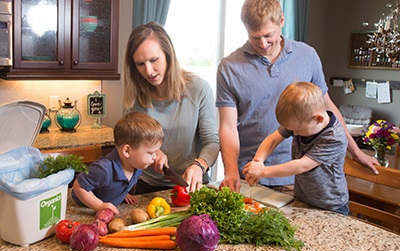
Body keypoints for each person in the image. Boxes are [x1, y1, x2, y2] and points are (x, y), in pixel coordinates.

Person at [216, 0, 378, 193]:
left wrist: (356, 152)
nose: (263, 44)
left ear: (282, 20)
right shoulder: (229, 67)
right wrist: (231, 171)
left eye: (269, 35)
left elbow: (328, 107)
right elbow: (227, 126)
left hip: (298, 176)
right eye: (254, 37)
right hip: (250, 175)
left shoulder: (307, 56)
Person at [123, 22, 219, 193]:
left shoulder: (199, 89)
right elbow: (128, 143)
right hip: (147, 187)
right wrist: (153, 152)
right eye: (140, 64)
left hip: (191, 186)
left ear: (168, 54)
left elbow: (212, 142)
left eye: (154, 60)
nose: (149, 71)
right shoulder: (134, 97)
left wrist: (199, 166)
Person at [243, 82, 349, 215]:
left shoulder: (334, 138)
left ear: (318, 119)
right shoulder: (301, 119)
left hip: (330, 205)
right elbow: (273, 139)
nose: (295, 133)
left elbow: (302, 165)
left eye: (298, 130)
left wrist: (263, 172)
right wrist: (258, 162)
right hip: (303, 198)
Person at [71, 111, 164, 215]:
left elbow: (117, 184)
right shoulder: (103, 169)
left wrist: (122, 193)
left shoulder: (136, 166)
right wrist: (99, 206)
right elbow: (78, 186)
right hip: (84, 205)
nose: (155, 157)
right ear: (127, 151)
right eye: (151, 153)